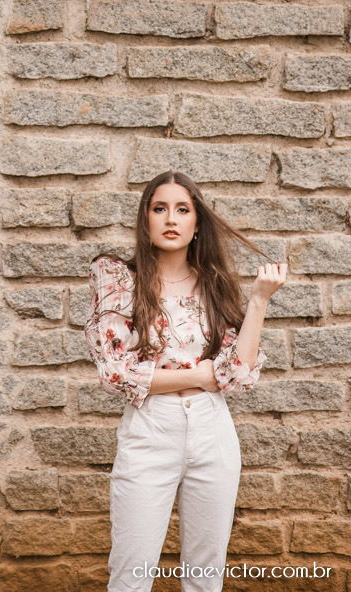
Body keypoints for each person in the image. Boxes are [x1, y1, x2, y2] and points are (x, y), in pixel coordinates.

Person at [84, 169, 287, 592]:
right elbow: (115, 371)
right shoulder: (118, 277)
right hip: (151, 428)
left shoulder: (214, 284)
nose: (171, 219)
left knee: (205, 574)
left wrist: (258, 300)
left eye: (182, 209)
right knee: (131, 572)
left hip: (213, 429)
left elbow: (238, 375)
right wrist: (200, 374)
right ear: (145, 218)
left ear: (197, 223)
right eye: (160, 208)